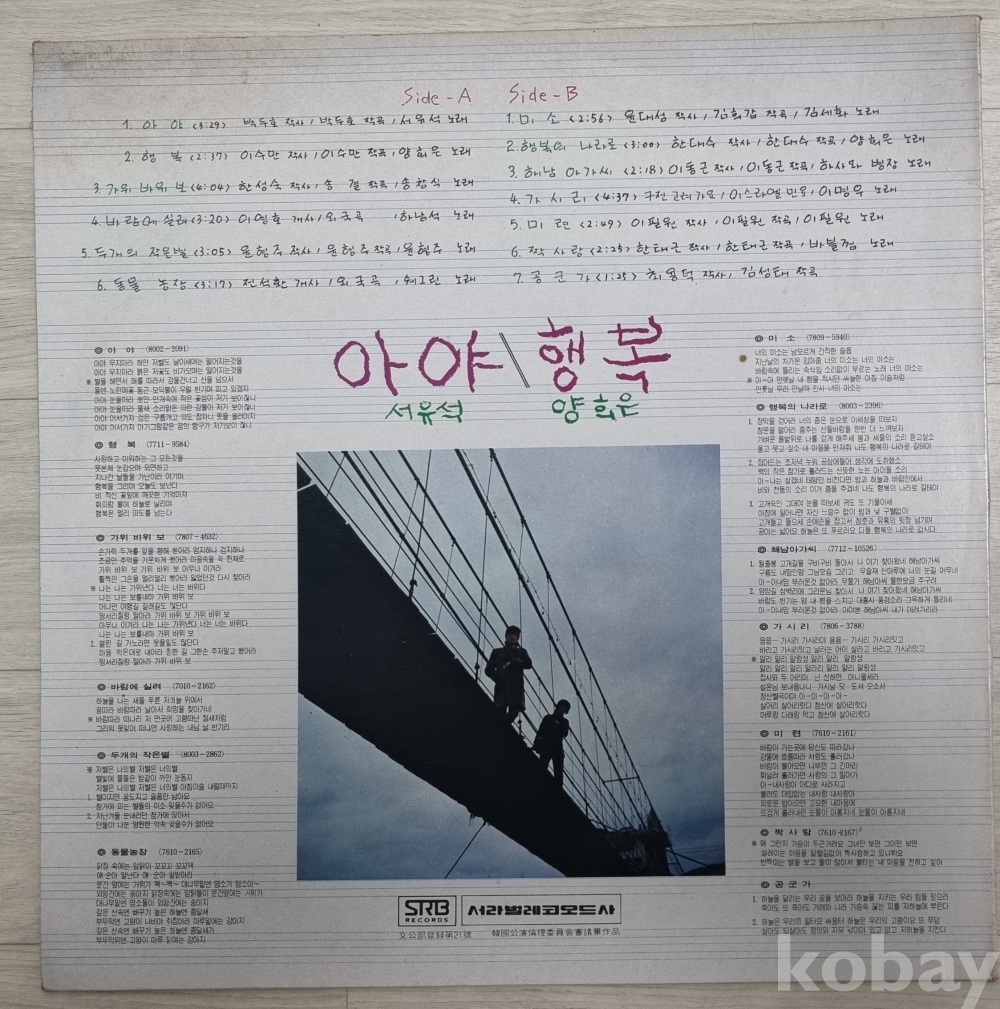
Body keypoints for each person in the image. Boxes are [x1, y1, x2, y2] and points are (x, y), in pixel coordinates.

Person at [485, 624, 532, 723]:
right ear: (506, 636)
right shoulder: (497, 652)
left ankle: (503, 727)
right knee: (499, 712)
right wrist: (498, 677)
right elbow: (488, 670)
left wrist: (519, 662)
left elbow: (528, 664)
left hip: (516, 688)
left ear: (518, 638)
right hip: (502, 686)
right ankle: (502, 727)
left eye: (515, 635)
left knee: (513, 712)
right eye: (510, 634)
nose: (512, 637)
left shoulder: (522, 652)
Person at [533, 699, 571, 788]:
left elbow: (565, 733)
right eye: (562, 707)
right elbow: (541, 732)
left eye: (565, 708)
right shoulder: (548, 718)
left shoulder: (564, 722)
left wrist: (558, 727)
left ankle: (557, 790)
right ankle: (541, 785)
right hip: (547, 747)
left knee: (558, 773)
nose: (563, 709)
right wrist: (537, 743)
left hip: (556, 749)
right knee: (542, 767)